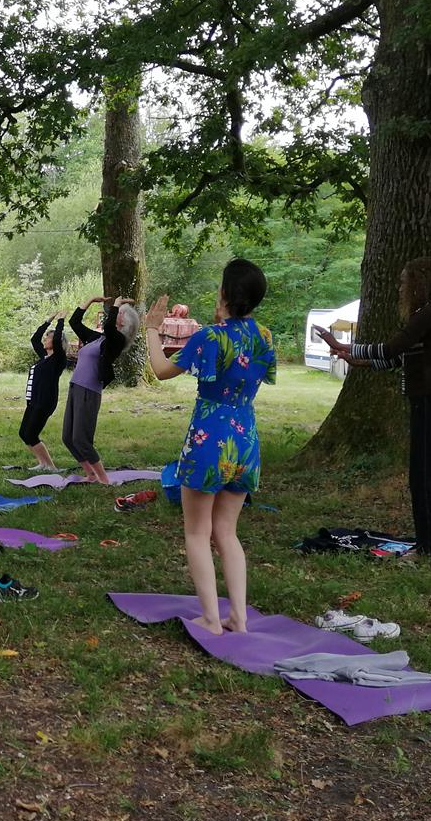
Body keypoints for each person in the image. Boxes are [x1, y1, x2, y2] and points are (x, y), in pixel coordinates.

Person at [143, 259, 275, 636]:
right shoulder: (264, 336)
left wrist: (152, 330)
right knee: (227, 533)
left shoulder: (210, 337)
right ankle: (239, 618)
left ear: (225, 293)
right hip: (245, 439)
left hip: (208, 438)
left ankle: (212, 620)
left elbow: (161, 369)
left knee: (198, 532)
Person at [317, 258, 431, 558]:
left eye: (404, 282)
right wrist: (359, 361)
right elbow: (402, 358)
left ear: (419, 283)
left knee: (424, 475)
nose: (401, 288)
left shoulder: (429, 314)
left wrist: (344, 346)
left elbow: (391, 348)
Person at [63, 295, 139, 483]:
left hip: (89, 391)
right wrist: (89, 301)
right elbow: (75, 322)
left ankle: (104, 479)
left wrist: (115, 305)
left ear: (125, 323)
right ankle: (90, 474)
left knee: (81, 439)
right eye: (117, 312)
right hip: (75, 387)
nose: (115, 315)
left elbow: (108, 327)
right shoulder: (98, 338)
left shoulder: (116, 341)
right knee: (68, 437)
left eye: (120, 314)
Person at [18, 312, 67, 471]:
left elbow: (58, 340)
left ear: (56, 341)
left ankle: (51, 467)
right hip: (33, 401)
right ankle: (42, 463)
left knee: (31, 434)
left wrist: (61, 321)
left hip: (45, 402)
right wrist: (49, 320)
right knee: (24, 433)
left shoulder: (58, 359)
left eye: (48, 337)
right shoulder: (44, 356)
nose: (45, 339)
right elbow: (34, 338)